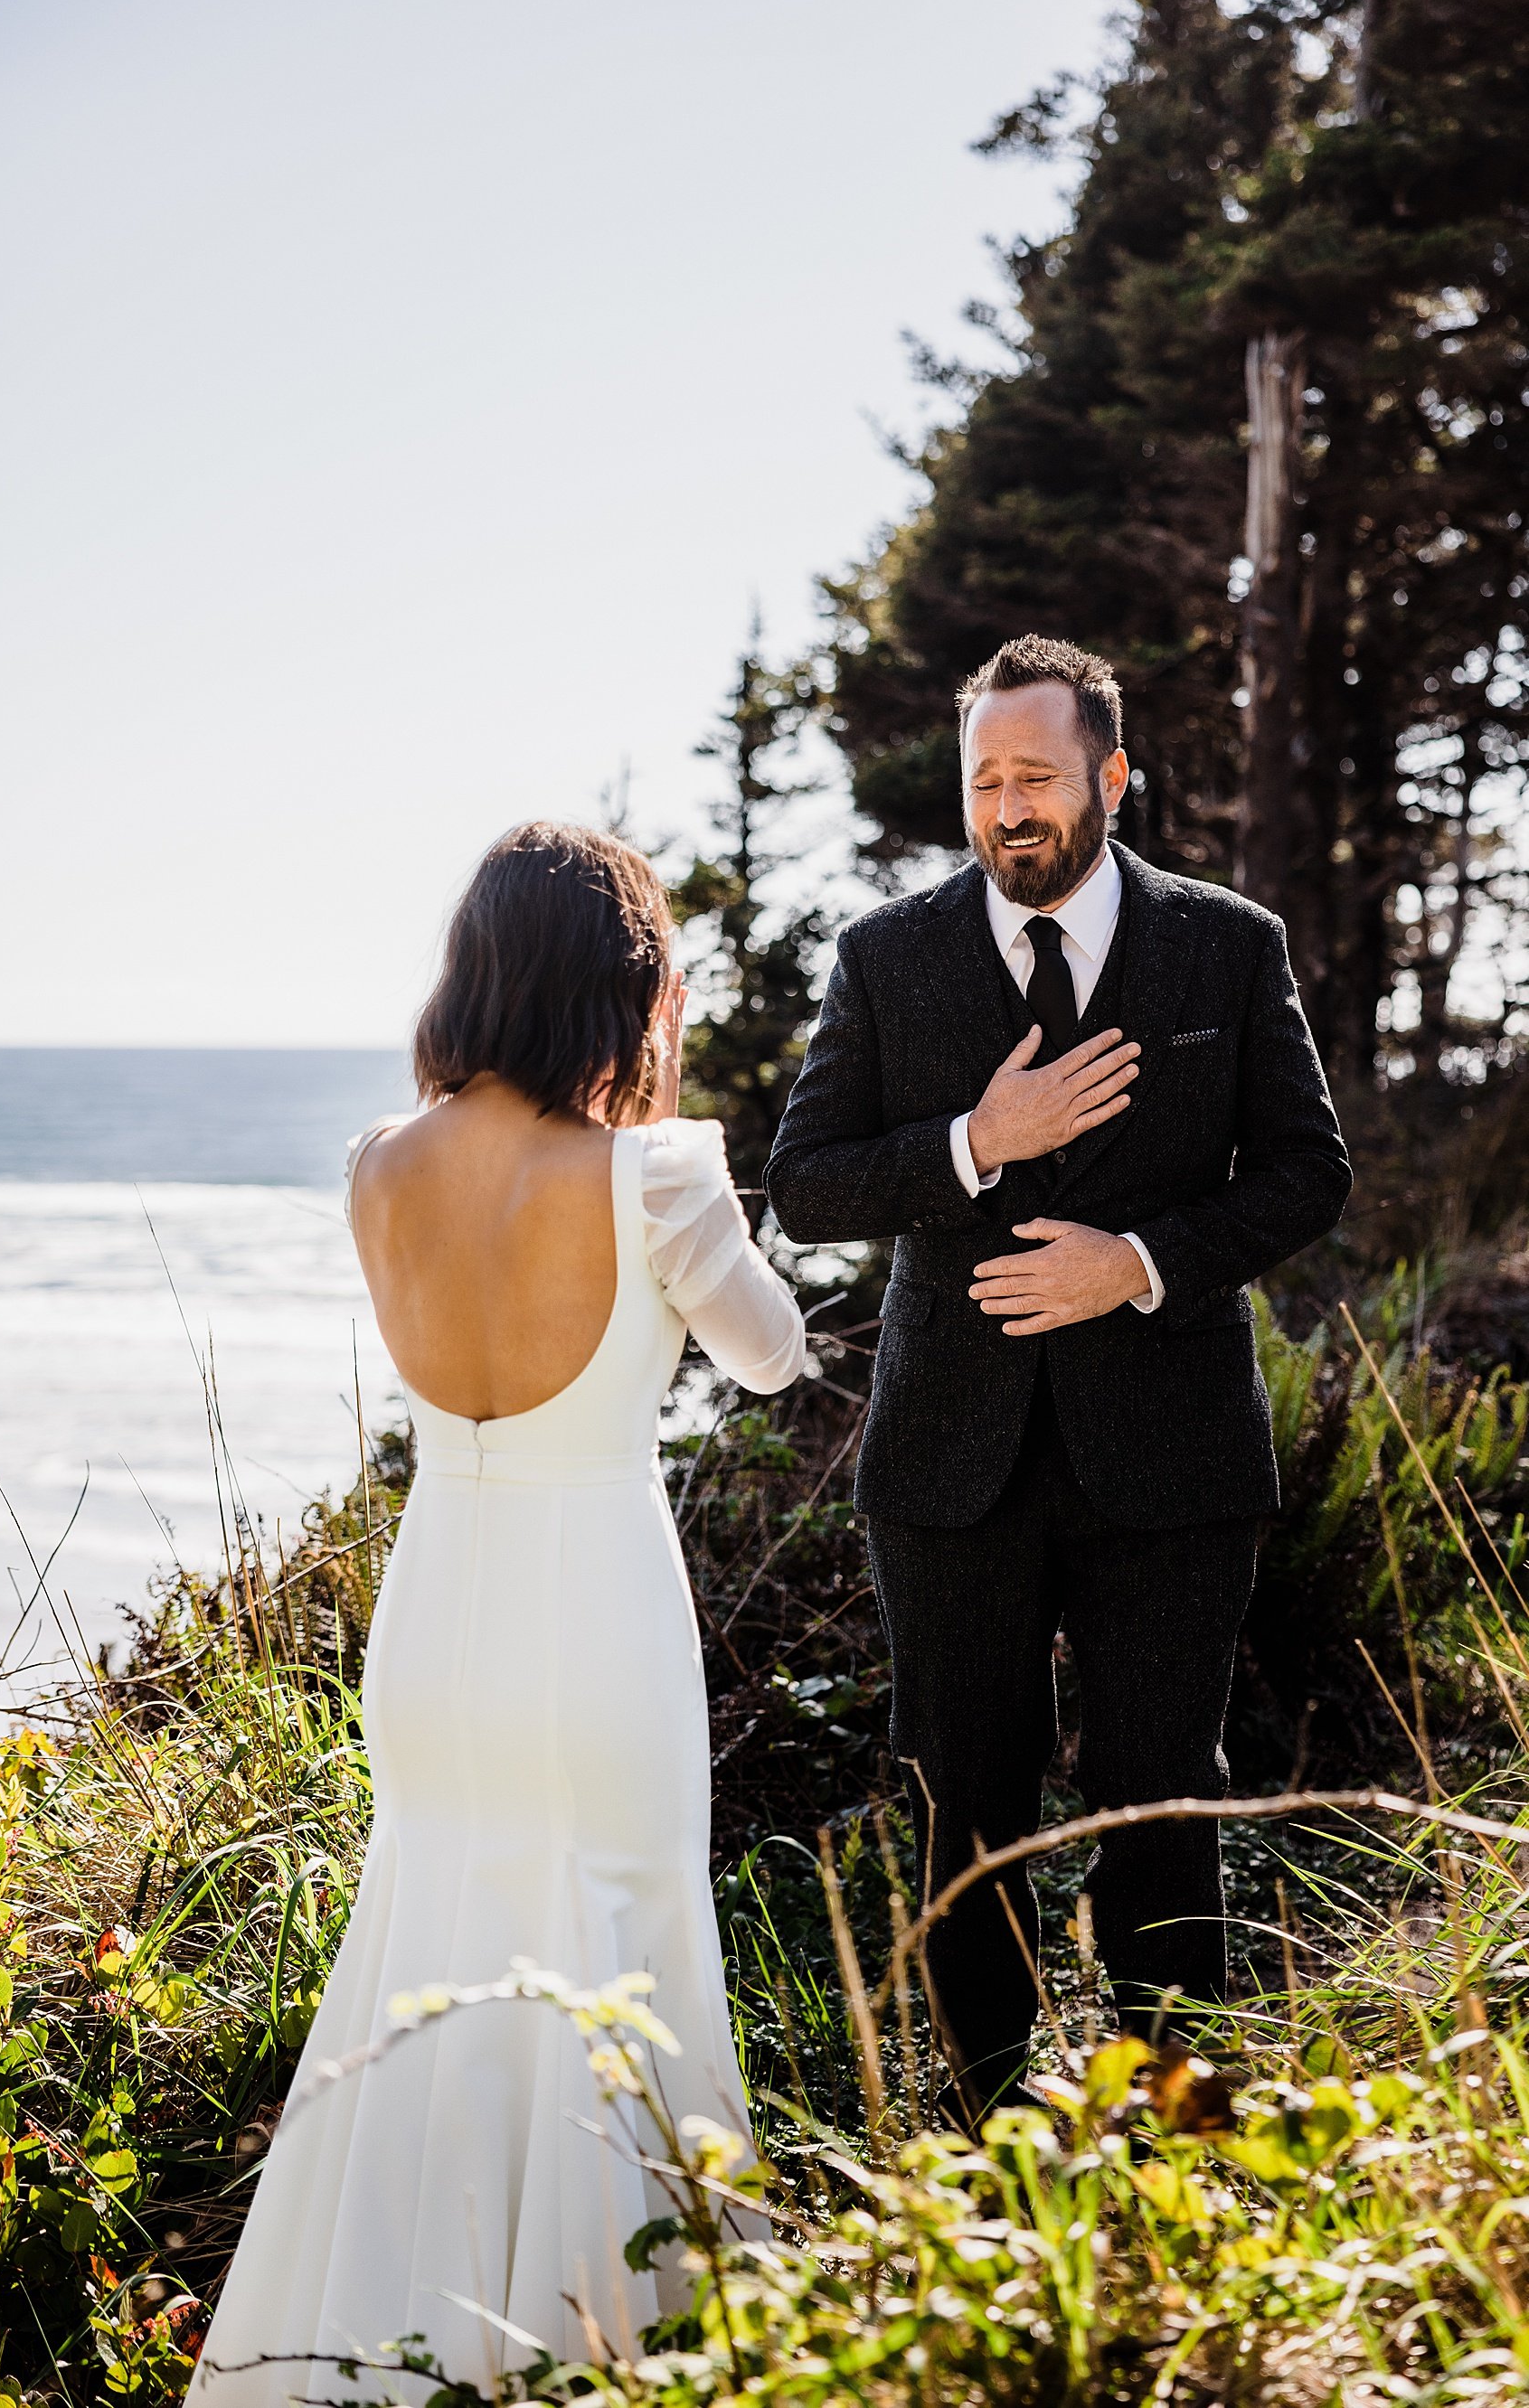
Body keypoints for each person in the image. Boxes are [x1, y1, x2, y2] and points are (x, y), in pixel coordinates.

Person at [199, 822, 805, 2399]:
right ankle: (618, 2357)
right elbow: (773, 1351)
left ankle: (385, 2347)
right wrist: (670, 1107)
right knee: (621, 1957)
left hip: (438, 1616)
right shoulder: (659, 1172)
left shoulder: (377, 1165)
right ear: (623, 985)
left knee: (434, 1955)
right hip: (593, 1612)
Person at [765, 634, 1351, 2116]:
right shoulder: (886, 955)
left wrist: (1138, 1260)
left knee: (1165, 1797)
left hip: (1174, 1459)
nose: (1009, 805)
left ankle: (1174, 2141)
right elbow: (804, 1185)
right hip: (951, 1467)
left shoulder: (1227, 944)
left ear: (1111, 775)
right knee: (973, 1810)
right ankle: (985, 2134)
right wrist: (979, 1137)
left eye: (1036, 774)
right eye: (986, 781)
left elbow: (1306, 1173)